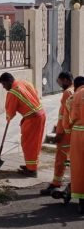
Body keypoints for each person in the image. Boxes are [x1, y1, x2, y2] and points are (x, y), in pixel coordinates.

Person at [0, 72, 46, 177]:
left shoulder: (13, 92)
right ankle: (31, 166)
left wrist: (8, 117)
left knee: (29, 144)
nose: (4, 87)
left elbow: (10, 110)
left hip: (33, 118)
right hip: (40, 114)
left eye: (3, 84)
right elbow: (36, 93)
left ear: (8, 82)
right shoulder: (24, 82)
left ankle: (32, 171)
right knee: (34, 143)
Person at [40, 72, 74, 196]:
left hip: (65, 133)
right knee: (70, 160)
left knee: (61, 159)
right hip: (71, 132)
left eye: (60, 82)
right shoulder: (76, 90)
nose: (59, 85)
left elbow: (64, 116)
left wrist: (59, 132)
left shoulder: (67, 93)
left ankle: (56, 184)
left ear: (65, 80)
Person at [68, 76, 84, 214]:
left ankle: (82, 203)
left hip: (79, 136)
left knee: (79, 167)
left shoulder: (75, 97)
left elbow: (71, 118)